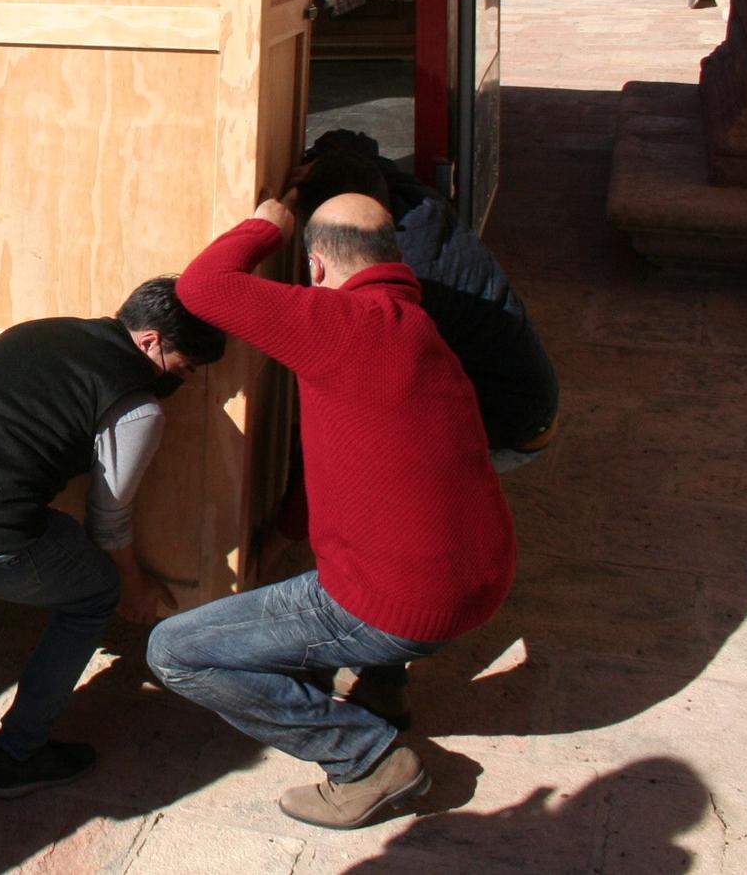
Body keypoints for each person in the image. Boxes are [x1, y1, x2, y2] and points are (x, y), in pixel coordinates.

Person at [146, 194, 515, 831]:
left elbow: (205, 286)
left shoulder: (338, 323)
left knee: (176, 651)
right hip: (479, 578)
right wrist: (286, 530)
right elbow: (349, 461)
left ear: (315, 268)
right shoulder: (416, 327)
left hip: (404, 604)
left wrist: (269, 220)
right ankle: (381, 689)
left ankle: (365, 759)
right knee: (364, 558)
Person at [0, 279, 225, 808]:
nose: (186, 380)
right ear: (149, 341)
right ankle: (18, 756)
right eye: (185, 366)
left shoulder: (40, 331)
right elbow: (110, 519)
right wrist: (133, 584)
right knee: (93, 594)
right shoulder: (137, 407)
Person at [291, 128, 560, 470]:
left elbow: (358, 389)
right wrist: (317, 164)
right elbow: (354, 142)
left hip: (511, 431)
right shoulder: (400, 197)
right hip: (527, 397)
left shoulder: (407, 280)